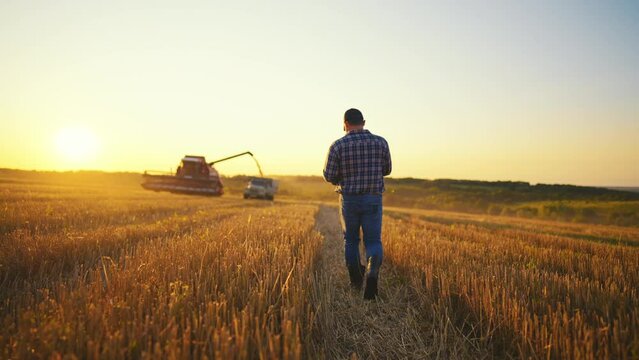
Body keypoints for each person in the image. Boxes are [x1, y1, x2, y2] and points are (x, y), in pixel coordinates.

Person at [323, 108, 392, 300]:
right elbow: (387, 169)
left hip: (349, 199)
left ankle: (355, 279)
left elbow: (329, 175)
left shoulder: (338, 146)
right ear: (364, 121)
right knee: (373, 241)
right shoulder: (381, 142)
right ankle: (371, 273)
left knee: (351, 240)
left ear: (345, 124)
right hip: (373, 198)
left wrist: (344, 176)